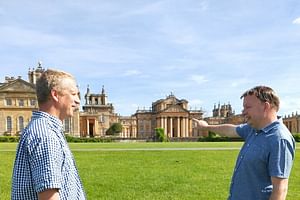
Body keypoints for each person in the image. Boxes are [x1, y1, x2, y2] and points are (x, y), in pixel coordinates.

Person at [193, 86, 295, 200]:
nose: (243, 112)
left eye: (248, 107)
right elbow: (229, 130)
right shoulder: (254, 129)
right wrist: (206, 127)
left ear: (265, 106)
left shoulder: (279, 139)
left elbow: (280, 190)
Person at [11, 69, 86, 200]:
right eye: (73, 94)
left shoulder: (45, 129)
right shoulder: (46, 135)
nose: (78, 100)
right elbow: (49, 197)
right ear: (55, 95)